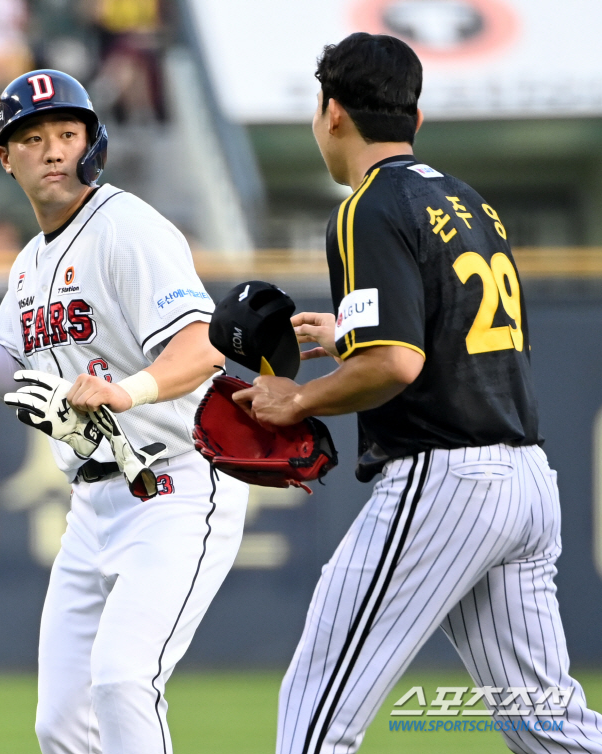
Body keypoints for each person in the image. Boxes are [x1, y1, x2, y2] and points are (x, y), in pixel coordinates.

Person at [235, 33, 602, 754]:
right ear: (417, 118)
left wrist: (299, 401)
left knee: (316, 707)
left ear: (330, 112)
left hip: (448, 479)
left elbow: (397, 365)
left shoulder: (366, 207)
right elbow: (454, 339)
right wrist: (348, 338)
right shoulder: (466, 201)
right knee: (551, 727)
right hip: (524, 476)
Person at [0, 69, 248, 754]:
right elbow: (14, 376)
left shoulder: (127, 226)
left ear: (92, 142)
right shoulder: (28, 265)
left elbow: (205, 345)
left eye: (67, 133)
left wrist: (127, 392)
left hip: (174, 487)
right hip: (91, 507)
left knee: (124, 681)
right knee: (62, 724)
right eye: (32, 137)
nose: (51, 149)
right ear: (4, 159)